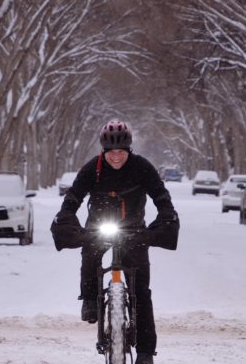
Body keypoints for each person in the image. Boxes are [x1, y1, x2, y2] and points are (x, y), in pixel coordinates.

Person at [51, 120, 179, 364]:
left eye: (121, 152)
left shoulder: (142, 167)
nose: (116, 157)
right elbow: (73, 198)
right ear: (104, 151)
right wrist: (67, 216)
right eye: (111, 153)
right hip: (99, 227)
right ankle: (89, 298)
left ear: (128, 149)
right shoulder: (92, 169)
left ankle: (145, 352)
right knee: (90, 254)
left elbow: (161, 197)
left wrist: (166, 215)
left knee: (141, 291)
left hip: (134, 230)